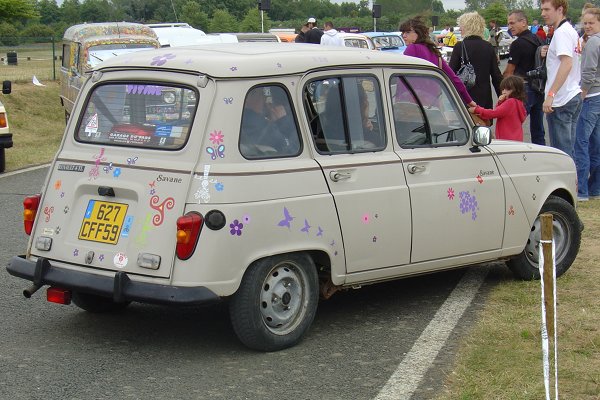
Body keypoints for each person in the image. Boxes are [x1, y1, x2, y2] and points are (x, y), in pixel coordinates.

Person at [399, 17, 476, 107]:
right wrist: (470, 101)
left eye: (407, 32)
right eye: (403, 32)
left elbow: (402, 81)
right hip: (433, 104)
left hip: (412, 105)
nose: (404, 35)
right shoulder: (434, 51)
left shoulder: (412, 49)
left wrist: (397, 99)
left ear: (418, 33)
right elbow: (454, 79)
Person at [541, 0, 582, 158]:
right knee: (570, 150)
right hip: (572, 94)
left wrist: (551, 94)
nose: (543, 14)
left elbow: (567, 63)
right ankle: (576, 181)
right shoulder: (570, 31)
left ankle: (569, 182)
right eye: (542, 9)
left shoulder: (562, 32)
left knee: (562, 154)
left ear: (560, 9)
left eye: (546, 9)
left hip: (561, 99)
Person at [503, 9, 547, 145]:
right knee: (538, 128)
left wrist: (504, 91)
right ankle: (541, 156)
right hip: (539, 87)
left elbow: (509, 71)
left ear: (523, 22)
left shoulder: (518, 44)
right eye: (508, 24)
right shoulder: (538, 40)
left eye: (512, 23)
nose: (510, 27)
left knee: (512, 125)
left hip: (523, 88)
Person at [450, 12, 502, 110]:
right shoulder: (488, 47)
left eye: (461, 26)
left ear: (468, 26)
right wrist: (502, 97)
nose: (460, 29)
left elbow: (451, 73)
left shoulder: (459, 46)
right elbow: (496, 76)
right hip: (484, 97)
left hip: (465, 98)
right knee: (483, 124)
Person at [574, 7, 600, 201]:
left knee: (581, 143)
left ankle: (581, 190)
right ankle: (595, 188)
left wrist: (582, 92)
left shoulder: (593, 43)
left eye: (591, 23)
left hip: (591, 96)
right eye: (585, 22)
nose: (587, 26)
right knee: (596, 144)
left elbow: (589, 70)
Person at [469, 76, 527, 140]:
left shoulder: (510, 102)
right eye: (503, 89)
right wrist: (501, 102)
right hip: (516, 138)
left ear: (516, 90)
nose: (504, 91)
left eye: (508, 89)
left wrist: (477, 109)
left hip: (507, 139)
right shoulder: (519, 103)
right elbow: (500, 112)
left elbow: (494, 113)